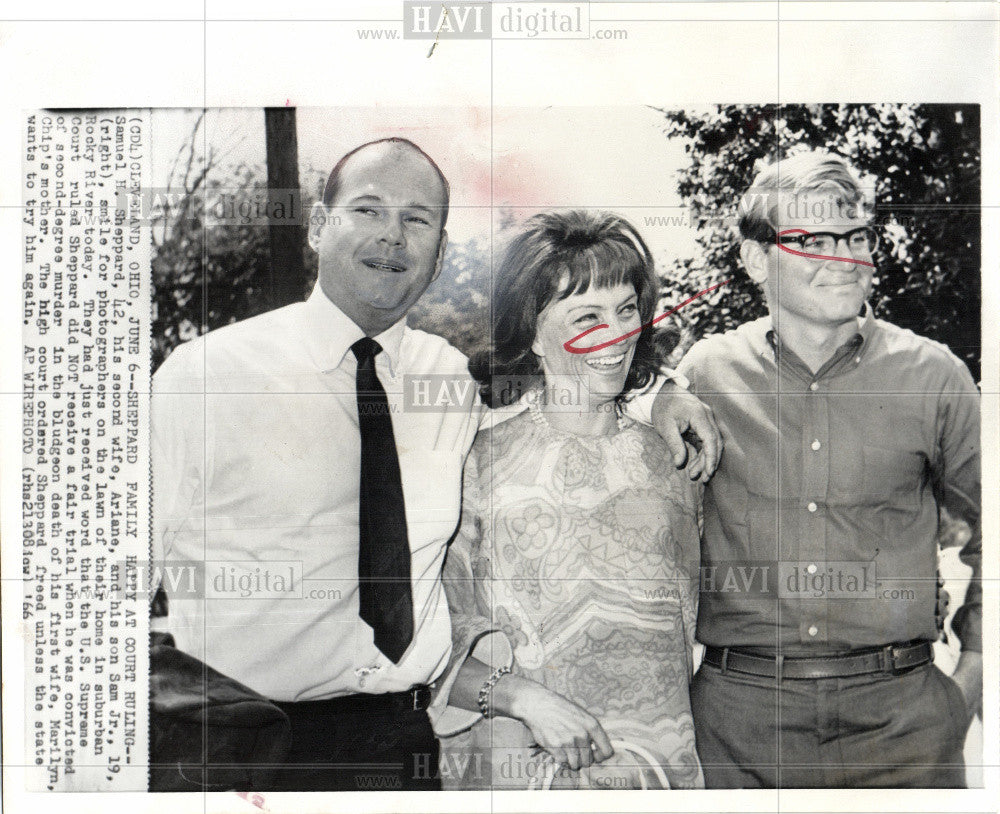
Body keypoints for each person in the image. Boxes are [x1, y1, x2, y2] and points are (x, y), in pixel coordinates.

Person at [151, 138, 721, 791]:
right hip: (246, 745)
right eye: (368, 210)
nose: (392, 237)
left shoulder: (444, 379)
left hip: (401, 747)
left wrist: (659, 391)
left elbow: (578, 396)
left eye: (417, 219)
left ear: (441, 250)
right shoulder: (206, 375)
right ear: (315, 226)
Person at [674, 151, 981, 788]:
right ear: (756, 258)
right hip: (739, 732)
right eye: (812, 238)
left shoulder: (935, 377)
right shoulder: (703, 375)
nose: (841, 257)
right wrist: (653, 398)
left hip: (904, 729)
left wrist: (972, 674)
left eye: (855, 236)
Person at [435, 210, 705, 790]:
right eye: (586, 316)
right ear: (532, 331)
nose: (615, 335)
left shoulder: (676, 459)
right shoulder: (474, 464)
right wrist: (524, 700)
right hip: (519, 776)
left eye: (626, 310)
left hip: (661, 776)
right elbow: (428, 645)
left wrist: (664, 395)